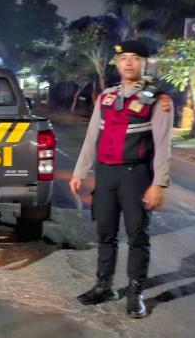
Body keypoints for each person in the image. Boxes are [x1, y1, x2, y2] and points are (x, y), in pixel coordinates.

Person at [69, 41, 173, 318]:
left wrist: (158, 184)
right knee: (105, 233)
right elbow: (92, 137)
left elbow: (163, 145)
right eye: (123, 57)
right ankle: (104, 285)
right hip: (105, 175)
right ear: (116, 63)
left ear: (144, 63)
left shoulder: (158, 100)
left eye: (135, 58)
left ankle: (136, 293)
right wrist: (80, 172)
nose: (128, 62)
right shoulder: (106, 96)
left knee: (137, 236)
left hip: (135, 176)